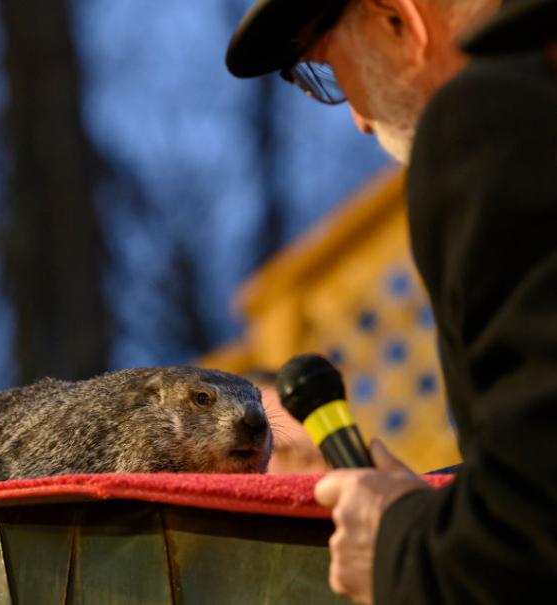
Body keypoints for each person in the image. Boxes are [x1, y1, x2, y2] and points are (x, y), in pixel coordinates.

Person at [227, 0, 557, 603]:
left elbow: (531, 531)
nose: (356, 118)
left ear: (396, 20)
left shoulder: (493, 119)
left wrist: (397, 544)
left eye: (324, 68)